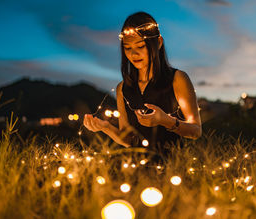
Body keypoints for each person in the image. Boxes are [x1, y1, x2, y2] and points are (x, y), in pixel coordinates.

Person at [83, 11, 202, 156]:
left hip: (172, 167)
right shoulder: (123, 89)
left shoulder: (177, 79)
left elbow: (195, 131)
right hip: (136, 169)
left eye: (140, 46)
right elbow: (128, 140)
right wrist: (106, 127)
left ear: (158, 43)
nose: (133, 54)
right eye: (128, 48)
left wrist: (166, 121)